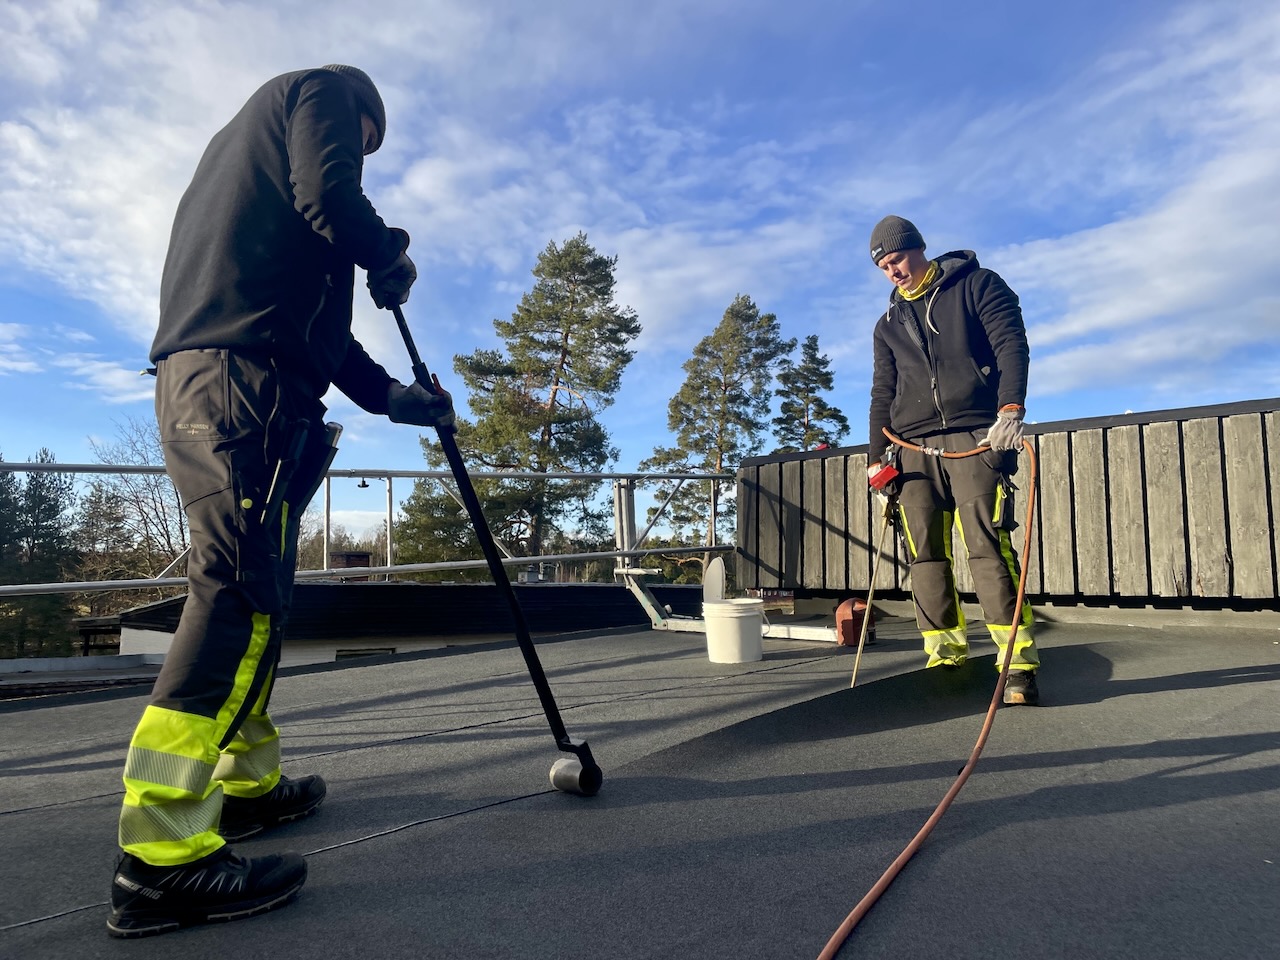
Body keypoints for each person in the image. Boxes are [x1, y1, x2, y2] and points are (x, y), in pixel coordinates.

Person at [108, 65, 455, 939]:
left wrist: (392, 399)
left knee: (266, 593)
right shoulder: (321, 93)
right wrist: (389, 252)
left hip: (239, 382)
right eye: (369, 140)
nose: (364, 152)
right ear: (360, 111)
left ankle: (246, 791)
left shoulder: (244, 188)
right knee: (236, 593)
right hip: (240, 385)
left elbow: (326, 333)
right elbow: (331, 193)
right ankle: (159, 860)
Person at [865, 215, 1039, 706]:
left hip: (976, 435)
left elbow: (1011, 344)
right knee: (925, 555)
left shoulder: (978, 285)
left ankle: (1017, 664)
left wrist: (1010, 409)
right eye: (882, 266)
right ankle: (945, 657)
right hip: (912, 446)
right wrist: (877, 457)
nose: (892, 271)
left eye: (896, 259)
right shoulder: (888, 324)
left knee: (986, 548)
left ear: (919, 249)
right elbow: (883, 391)